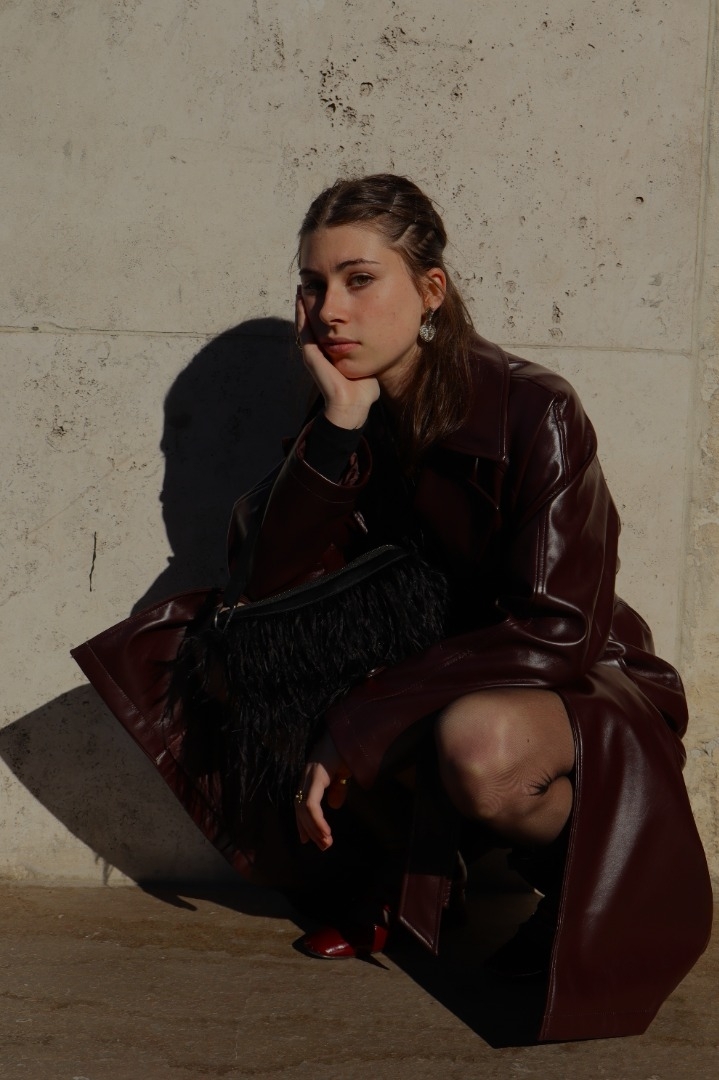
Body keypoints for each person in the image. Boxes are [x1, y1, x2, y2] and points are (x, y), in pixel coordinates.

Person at [73, 173, 712, 1043]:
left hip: (570, 678)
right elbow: (266, 580)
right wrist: (338, 427)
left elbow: (557, 625)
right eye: (313, 284)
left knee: (479, 747)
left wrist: (362, 722)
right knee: (229, 649)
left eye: (359, 279)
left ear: (430, 291)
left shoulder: (535, 410)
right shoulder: (352, 406)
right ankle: (379, 883)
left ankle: (575, 882)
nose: (329, 309)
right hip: (432, 665)